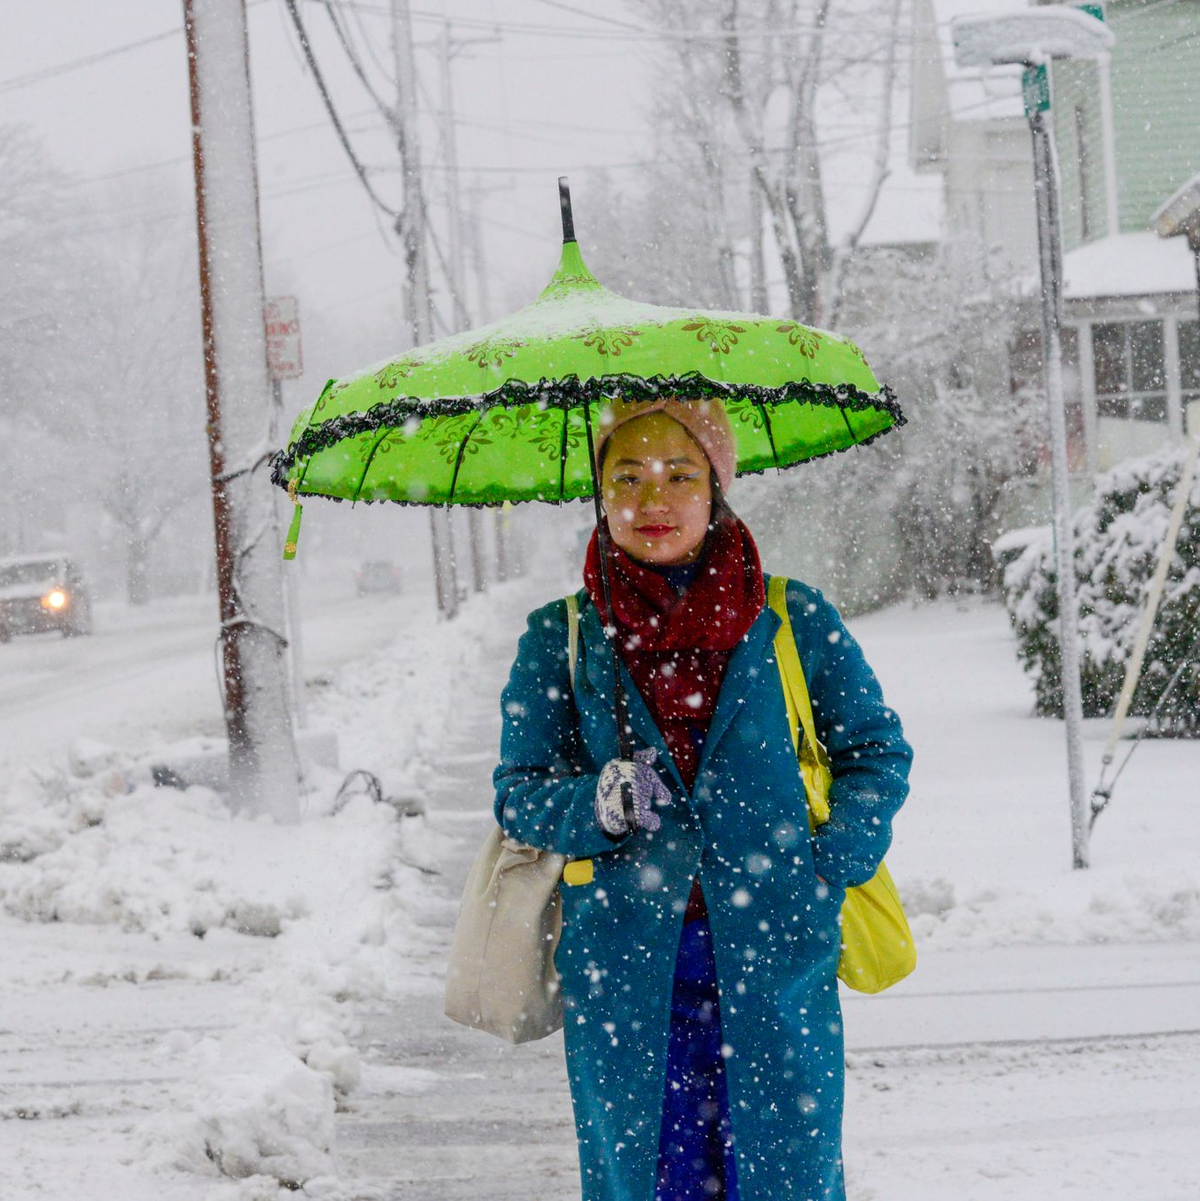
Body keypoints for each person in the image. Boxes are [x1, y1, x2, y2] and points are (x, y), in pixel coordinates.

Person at [493, 397, 912, 1201]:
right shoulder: (564, 635)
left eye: (680, 474)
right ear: (600, 493)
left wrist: (831, 863)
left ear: (716, 487)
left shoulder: (791, 617)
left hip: (775, 952)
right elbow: (519, 792)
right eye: (629, 476)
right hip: (625, 967)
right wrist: (596, 804)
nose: (654, 499)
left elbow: (875, 752)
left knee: (786, 1176)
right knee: (646, 1181)